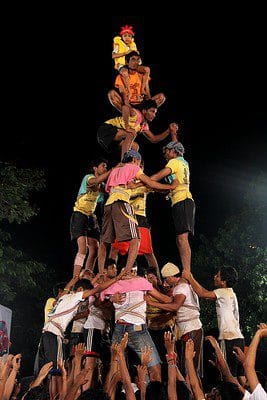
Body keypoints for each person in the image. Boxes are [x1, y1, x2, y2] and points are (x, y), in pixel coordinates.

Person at [97, 149, 178, 275]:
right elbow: (151, 182)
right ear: (135, 160)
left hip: (109, 205)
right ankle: (127, 271)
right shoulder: (134, 169)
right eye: (138, 163)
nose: (139, 166)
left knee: (105, 241)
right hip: (122, 204)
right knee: (135, 239)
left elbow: (110, 188)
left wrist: (163, 190)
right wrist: (171, 186)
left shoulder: (115, 171)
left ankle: (102, 273)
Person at [183, 266, 246, 382]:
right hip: (239, 338)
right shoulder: (230, 293)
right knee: (241, 376)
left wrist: (189, 277)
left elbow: (202, 293)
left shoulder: (222, 292)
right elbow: (205, 296)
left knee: (229, 377)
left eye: (217, 276)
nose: (214, 277)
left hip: (228, 339)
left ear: (223, 282)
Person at [146, 262, 203, 378]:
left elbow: (174, 306)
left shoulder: (180, 287)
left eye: (167, 278)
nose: (166, 281)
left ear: (172, 276)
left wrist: (151, 302)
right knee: (188, 367)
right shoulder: (183, 286)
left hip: (191, 329)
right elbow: (170, 302)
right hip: (190, 329)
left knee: (189, 369)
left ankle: (192, 394)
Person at [151, 141, 195, 272]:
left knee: (182, 239)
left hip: (182, 200)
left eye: (167, 152)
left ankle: (187, 272)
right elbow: (176, 144)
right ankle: (186, 270)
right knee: (180, 239)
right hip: (183, 201)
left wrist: (141, 180)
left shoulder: (174, 162)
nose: (165, 155)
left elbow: (158, 176)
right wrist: (173, 133)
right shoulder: (183, 162)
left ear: (173, 152)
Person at [110, 164, 160, 278]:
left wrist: (138, 184)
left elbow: (155, 184)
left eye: (141, 166)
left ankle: (158, 281)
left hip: (140, 218)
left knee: (148, 253)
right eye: (137, 166)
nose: (139, 168)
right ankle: (110, 277)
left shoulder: (145, 183)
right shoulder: (123, 182)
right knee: (114, 249)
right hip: (125, 218)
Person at [97, 98, 178, 160]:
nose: (154, 115)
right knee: (131, 133)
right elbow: (125, 107)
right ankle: (124, 162)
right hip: (106, 129)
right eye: (152, 111)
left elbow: (154, 139)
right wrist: (127, 126)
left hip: (113, 140)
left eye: (155, 113)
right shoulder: (136, 114)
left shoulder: (143, 125)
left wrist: (168, 131)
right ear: (144, 111)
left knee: (135, 146)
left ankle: (132, 164)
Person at [70, 158, 111, 277]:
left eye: (106, 167)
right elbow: (95, 181)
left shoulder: (101, 185)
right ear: (95, 168)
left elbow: (109, 189)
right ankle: (75, 278)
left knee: (95, 248)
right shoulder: (88, 178)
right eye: (103, 166)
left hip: (90, 216)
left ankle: (87, 274)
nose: (105, 168)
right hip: (79, 214)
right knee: (83, 248)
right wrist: (112, 171)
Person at [109, 51, 165, 129]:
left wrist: (148, 104)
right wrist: (129, 108)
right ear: (127, 62)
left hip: (142, 104)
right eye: (133, 59)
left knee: (161, 97)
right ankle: (134, 117)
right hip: (130, 104)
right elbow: (124, 95)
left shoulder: (142, 75)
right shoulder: (121, 76)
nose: (136, 62)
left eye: (137, 60)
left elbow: (147, 92)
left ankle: (143, 117)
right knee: (111, 94)